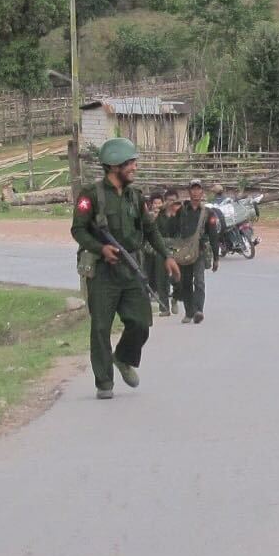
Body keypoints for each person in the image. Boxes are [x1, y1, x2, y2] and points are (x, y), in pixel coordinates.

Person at [70, 137, 180, 399]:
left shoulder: (135, 197)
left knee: (141, 323)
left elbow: (150, 229)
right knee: (100, 328)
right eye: (130, 163)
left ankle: (123, 357)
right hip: (103, 272)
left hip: (131, 269)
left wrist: (166, 256)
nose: (135, 167)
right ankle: (104, 382)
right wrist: (101, 249)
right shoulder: (91, 196)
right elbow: (78, 230)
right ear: (114, 166)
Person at [162, 178, 214, 323]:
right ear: (189, 191)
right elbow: (171, 229)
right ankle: (189, 312)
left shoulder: (207, 212)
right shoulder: (182, 210)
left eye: (198, 189)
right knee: (185, 282)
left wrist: (216, 257)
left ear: (202, 192)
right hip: (183, 252)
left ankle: (199, 310)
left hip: (200, 252)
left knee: (199, 281)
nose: (196, 192)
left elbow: (213, 234)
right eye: (193, 189)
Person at [144, 191, 173, 316]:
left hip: (162, 252)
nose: (157, 205)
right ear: (151, 205)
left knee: (163, 279)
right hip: (148, 252)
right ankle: (152, 306)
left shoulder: (167, 217)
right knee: (149, 277)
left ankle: (165, 306)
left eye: (160, 203)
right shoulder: (148, 216)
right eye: (155, 203)